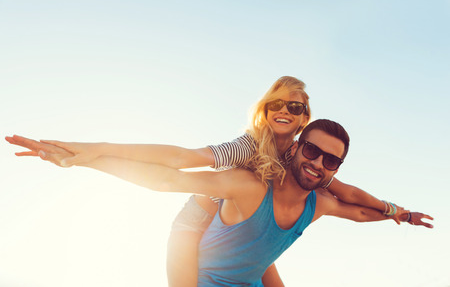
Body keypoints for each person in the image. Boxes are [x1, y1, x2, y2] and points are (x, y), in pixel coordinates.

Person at [6, 76, 416, 286]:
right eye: (276, 104)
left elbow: (347, 195)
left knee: (258, 248)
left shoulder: (304, 156)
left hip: (251, 231)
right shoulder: (247, 148)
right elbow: (178, 164)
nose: (284, 111)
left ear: (305, 117)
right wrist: (93, 152)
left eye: (295, 106)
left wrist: (395, 211)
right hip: (201, 215)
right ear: (265, 109)